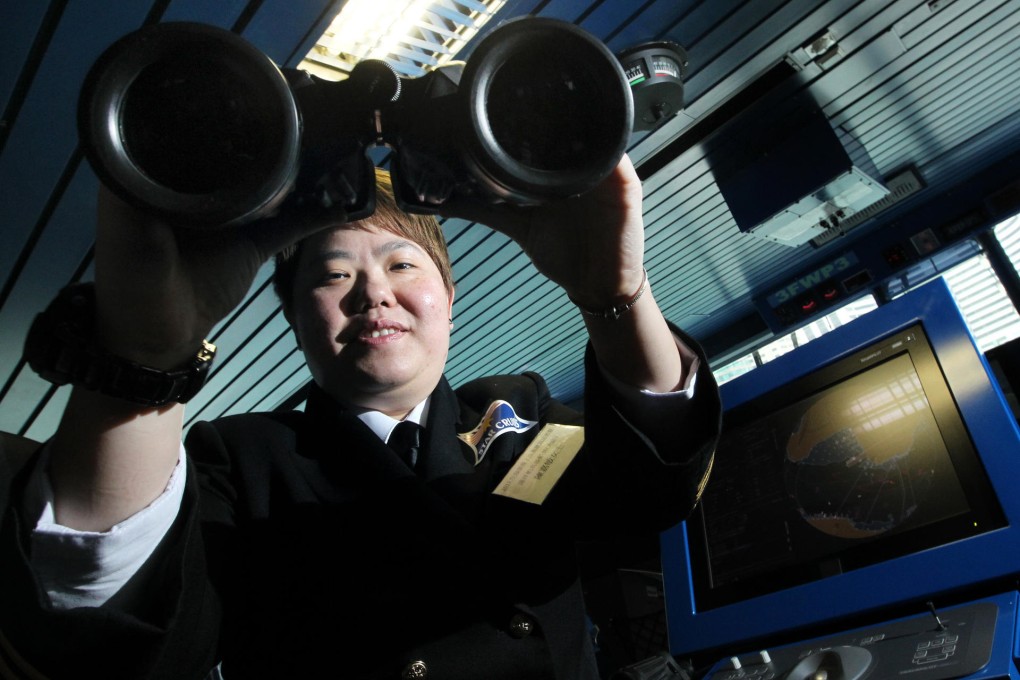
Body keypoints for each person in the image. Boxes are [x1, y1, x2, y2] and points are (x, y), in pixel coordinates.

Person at [0, 157, 720, 679]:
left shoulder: (519, 408)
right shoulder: (238, 458)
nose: (373, 292)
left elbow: (651, 489)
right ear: (292, 317)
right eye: (333, 273)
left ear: (450, 294)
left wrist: (615, 298)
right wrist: (145, 356)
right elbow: (126, 634)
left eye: (403, 264)